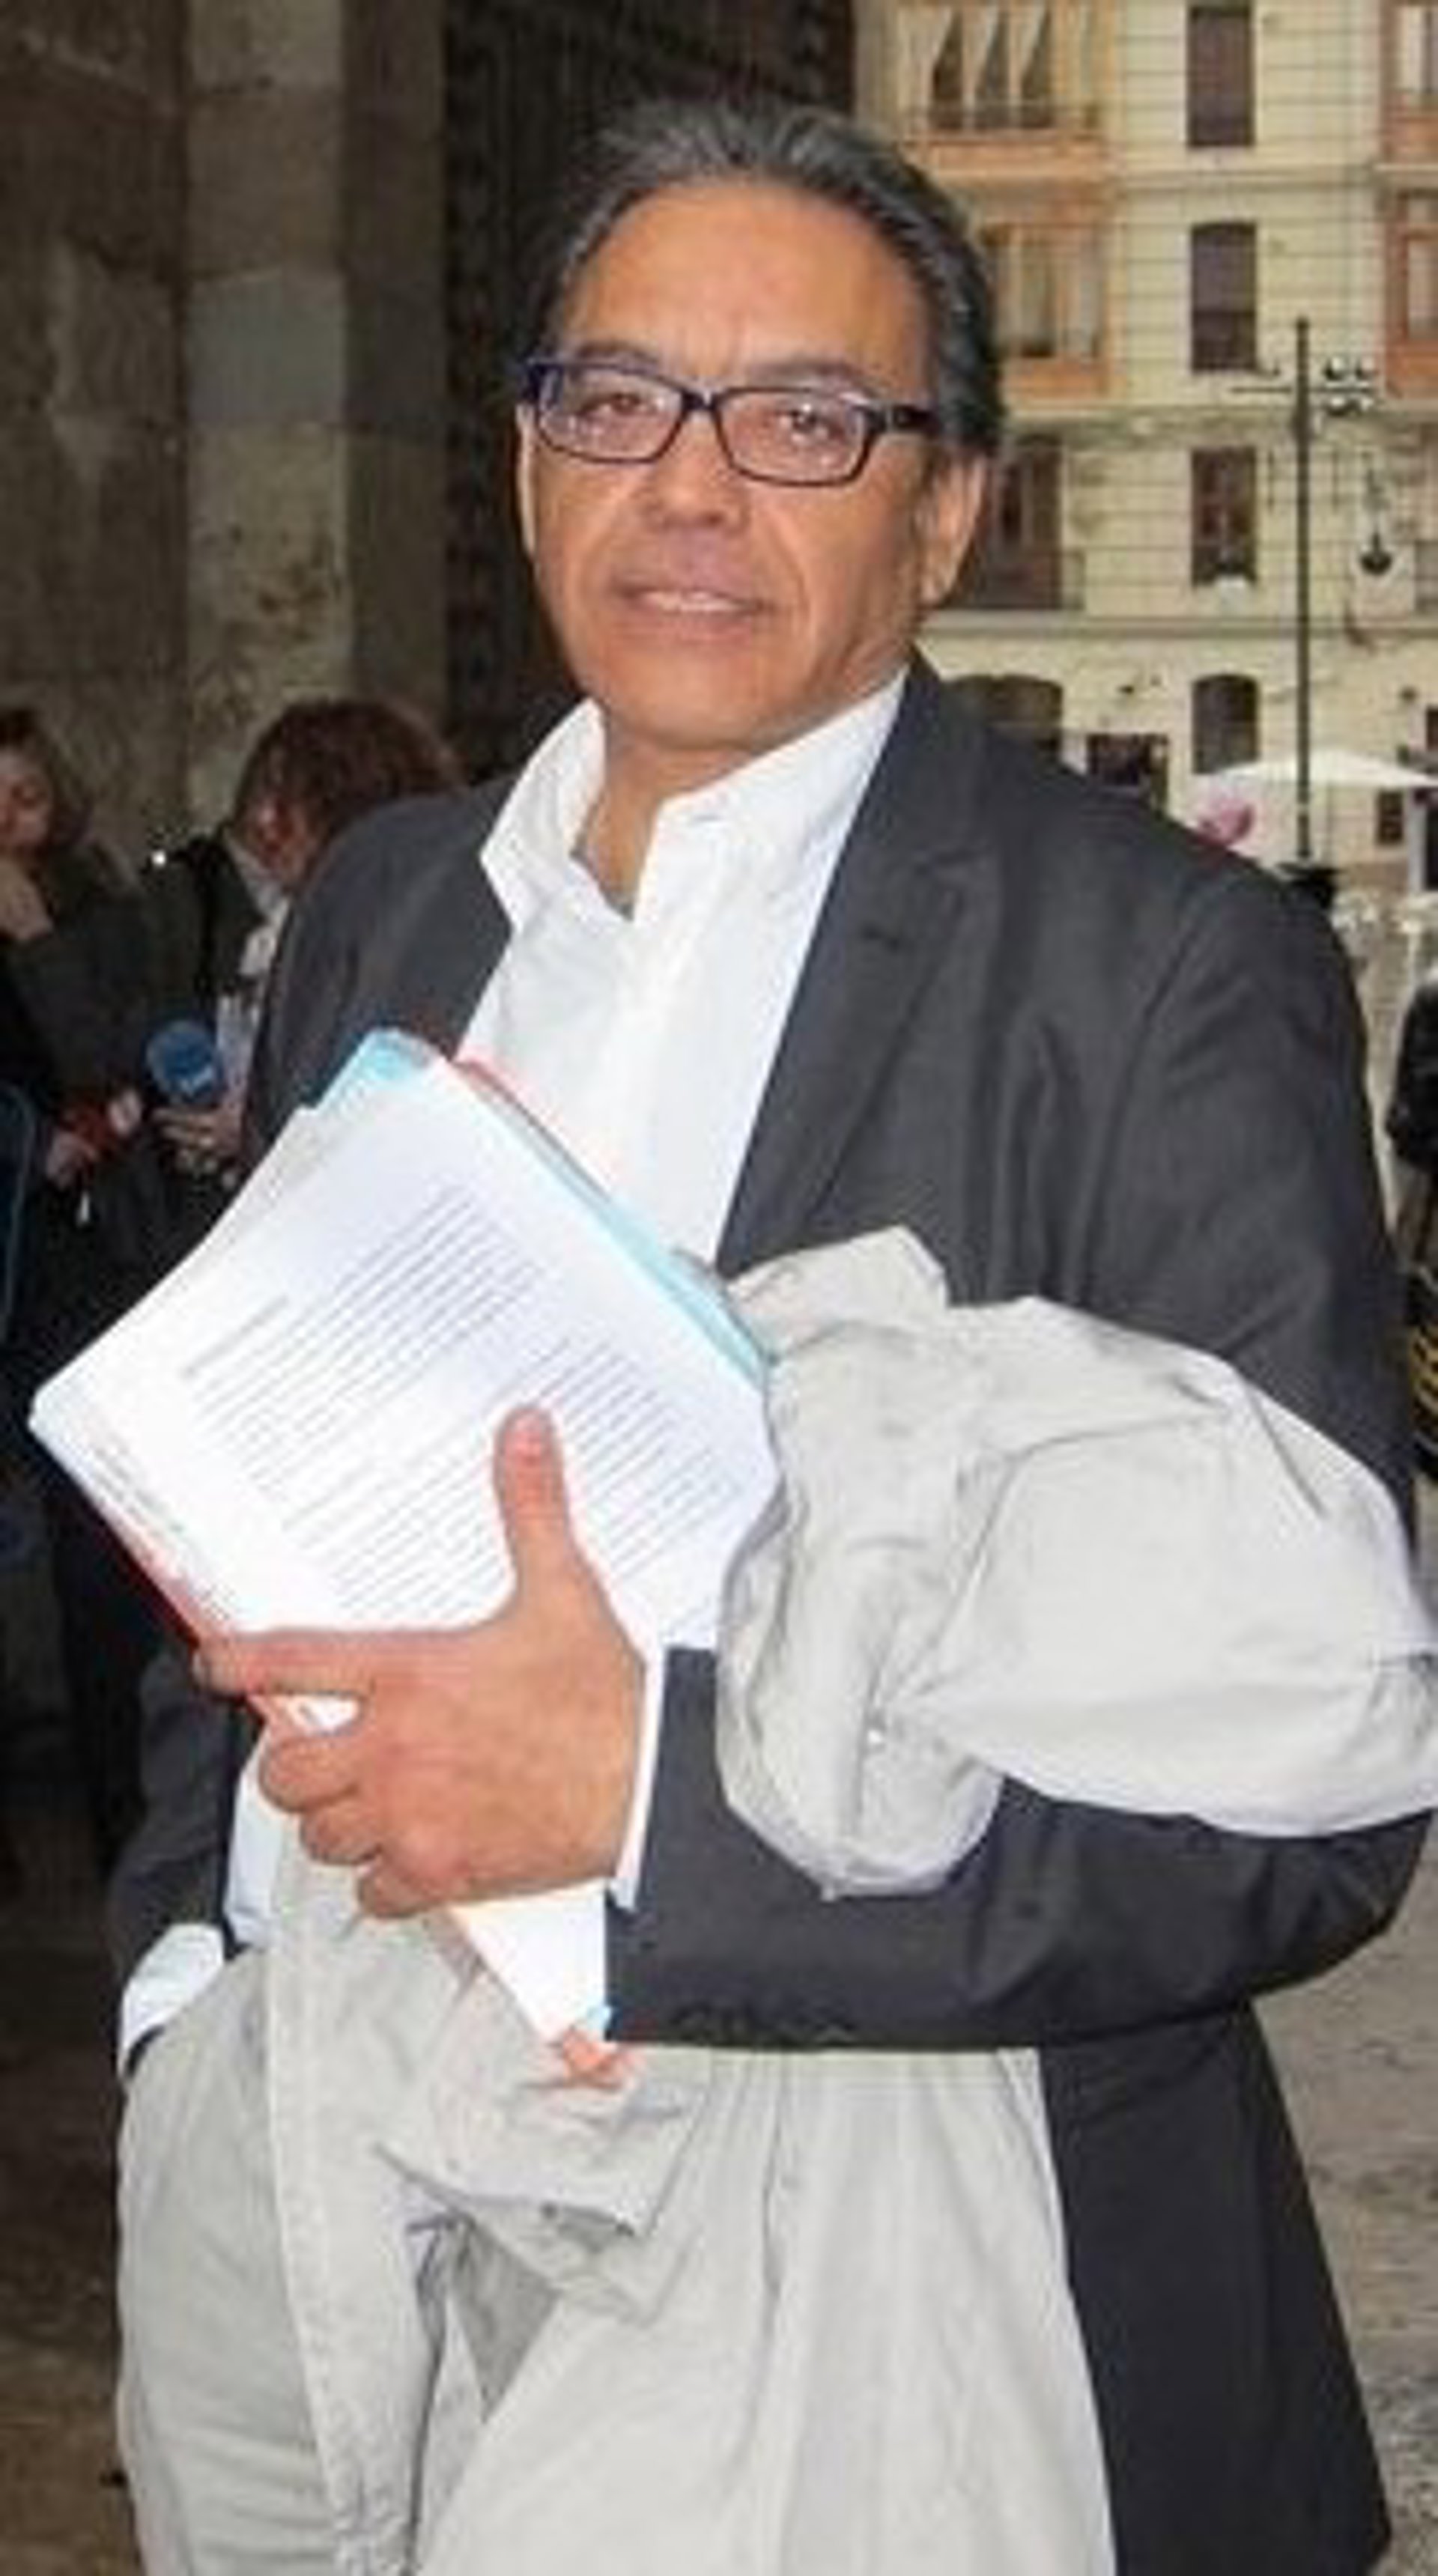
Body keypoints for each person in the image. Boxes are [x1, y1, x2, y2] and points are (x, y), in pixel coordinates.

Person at [109, 97, 1431, 2575]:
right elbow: (233, 1479)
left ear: (945, 510)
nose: (692, 486)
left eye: (806, 417)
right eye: (620, 398)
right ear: (531, 462)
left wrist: (646, 1817)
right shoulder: (397, 909)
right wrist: (189, 1966)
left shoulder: (1158, 974)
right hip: (335, 2227)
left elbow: (1319, 1798)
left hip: (907, 2299)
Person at [139, 695, 463, 1207]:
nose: (262, 821)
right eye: (262, 796)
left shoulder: (394, 935)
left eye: (288, 801)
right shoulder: (290, 925)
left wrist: (253, 1130)